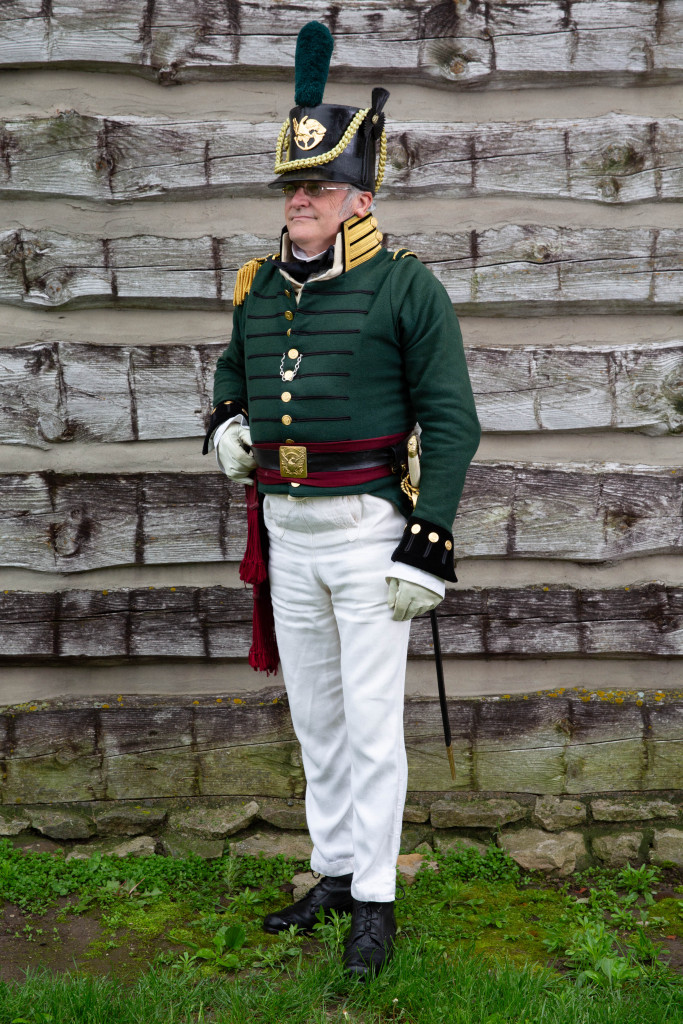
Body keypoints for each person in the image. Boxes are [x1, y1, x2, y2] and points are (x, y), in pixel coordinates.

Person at [203, 22, 480, 978]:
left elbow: (453, 423)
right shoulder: (257, 288)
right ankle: (330, 869)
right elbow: (230, 381)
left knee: (369, 721)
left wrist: (427, 542)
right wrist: (223, 426)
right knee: (316, 716)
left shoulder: (408, 289)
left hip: (368, 531)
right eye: (291, 187)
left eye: (316, 187)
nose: (300, 202)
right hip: (287, 529)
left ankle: (375, 897)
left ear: (361, 196)